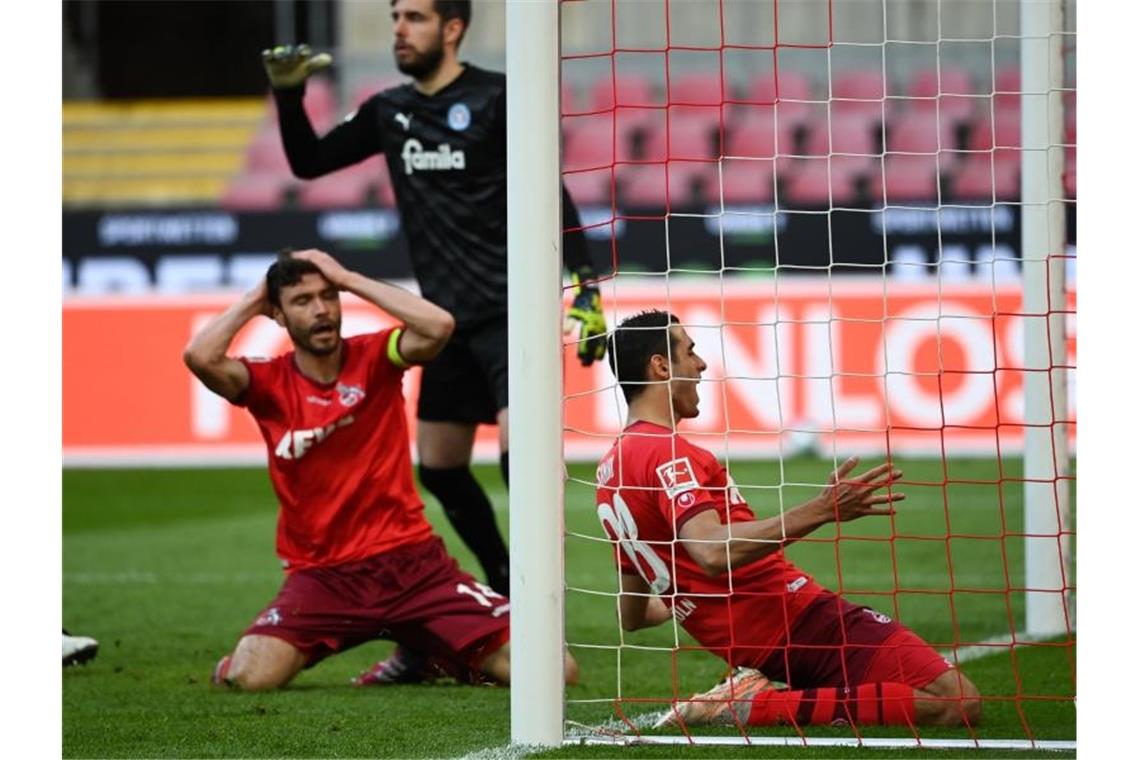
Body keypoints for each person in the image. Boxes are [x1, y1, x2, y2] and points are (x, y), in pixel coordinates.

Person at [260, 0, 606, 603]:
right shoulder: (389, 111)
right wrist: (290, 97)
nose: (399, 29)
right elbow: (309, 163)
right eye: (395, 17)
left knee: (520, 459)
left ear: (452, 29)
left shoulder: (498, 97)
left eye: (414, 18)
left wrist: (586, 284)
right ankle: (503, 580)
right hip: (443, 323)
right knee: (440, 468)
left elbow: (552, 190)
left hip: (511, 315)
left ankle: (538, 592)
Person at [183, 249, 578, 690]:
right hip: (323, 579)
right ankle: (423, 644)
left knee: (555, 672)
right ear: (277, 314)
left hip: (415, 571)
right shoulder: (267, 383)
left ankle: (428, 652)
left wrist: (349, 278)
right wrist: (258, 295)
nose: (320, 310)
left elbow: (439, 326)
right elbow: (201, 357)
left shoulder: (374, 356)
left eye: (327, 296)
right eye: (301, 301)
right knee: (247, 679)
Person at [594, 310, 981, 729]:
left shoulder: (609, 471)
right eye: (690, 351)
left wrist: (688, 596)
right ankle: (749, 704)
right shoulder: (666, 452)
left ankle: (754, 692)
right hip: (796, 620)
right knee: (958, 701)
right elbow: (709, 550)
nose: (701, 364)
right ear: (661, 365)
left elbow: (632, 615)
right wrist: (822, 509)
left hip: (760, 644)